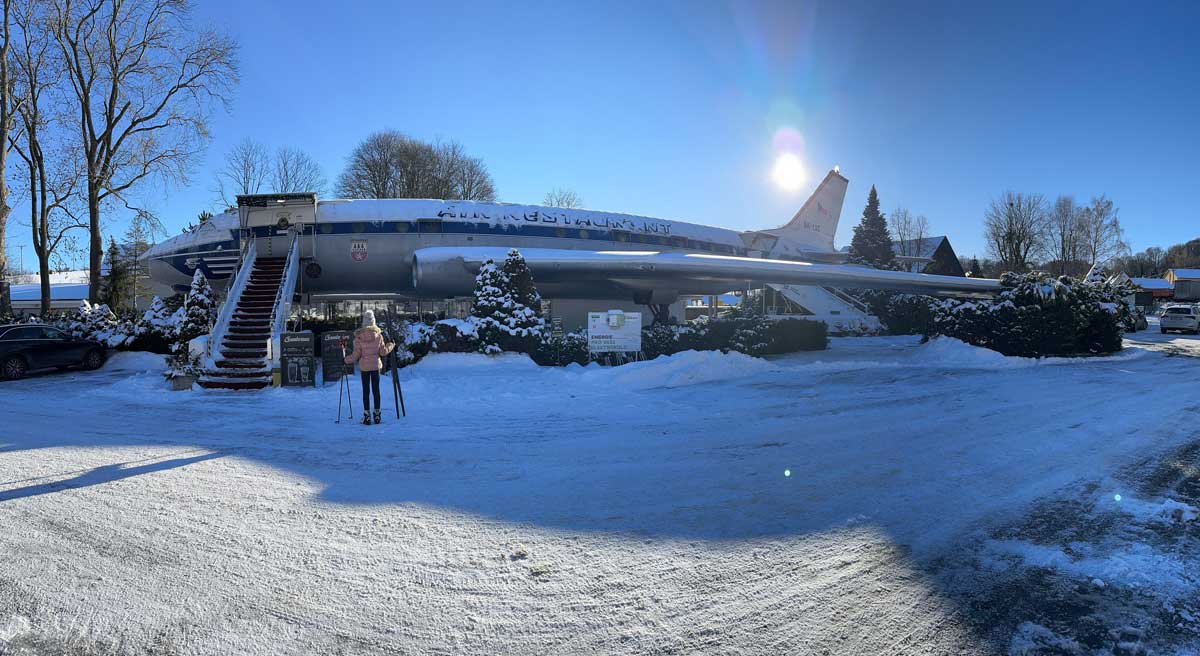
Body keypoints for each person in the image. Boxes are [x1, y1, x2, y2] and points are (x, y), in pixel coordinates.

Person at [343, 310, 395, 425]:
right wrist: (390, 345)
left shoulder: (359, 338)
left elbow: (356, 355)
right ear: (373, 322)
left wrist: (346, 360)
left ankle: (367, 416)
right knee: (376, 390)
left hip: (364, 367)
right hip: (376, 366)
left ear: (364, 322)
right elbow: (383, 352)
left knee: (366, 391)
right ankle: (377, 415)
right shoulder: (379, 336)